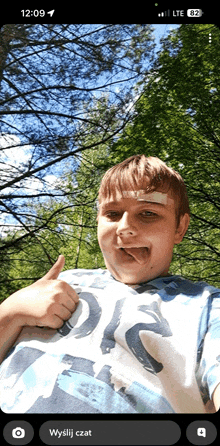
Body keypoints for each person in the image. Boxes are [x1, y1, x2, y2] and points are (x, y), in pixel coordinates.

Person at [0, 155, 219, 413]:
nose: (125, 228)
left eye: (148, 213)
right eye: (112, 213)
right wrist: (11, 311)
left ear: (179, 228)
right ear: (97, 221)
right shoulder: (62, 283)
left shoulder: (207, 306)